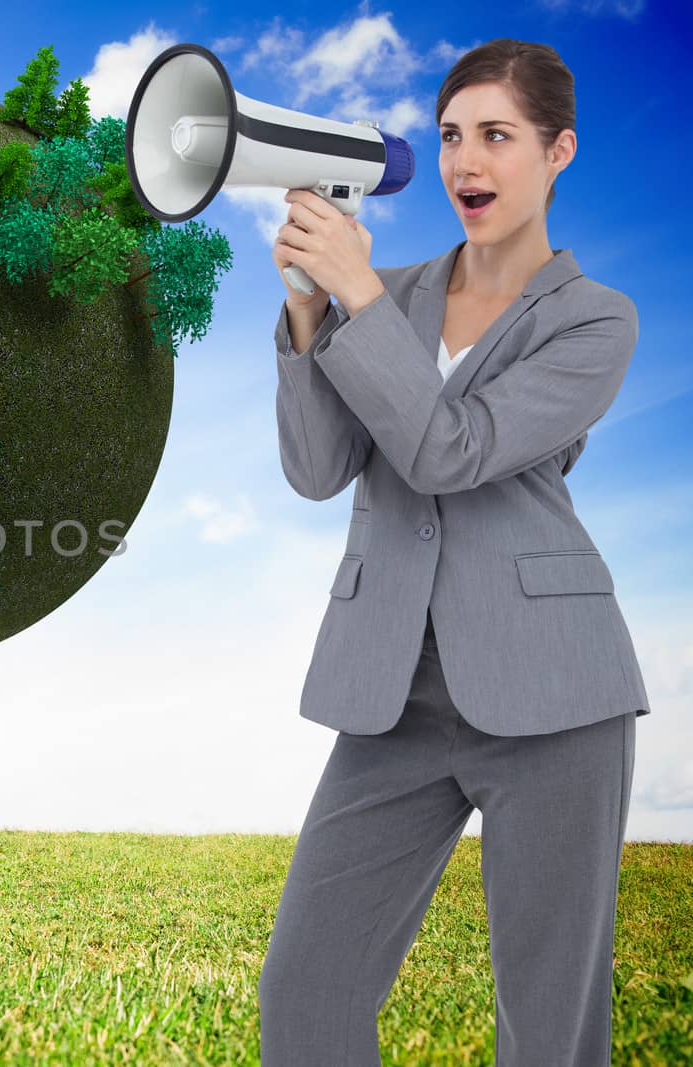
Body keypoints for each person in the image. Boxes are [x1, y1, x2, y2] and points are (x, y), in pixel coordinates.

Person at [257, 38, 649, 1067]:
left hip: (556, 693)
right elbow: (315, 467)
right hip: (390, 689)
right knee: (305, 992)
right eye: (448, 137)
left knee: (547, 1025)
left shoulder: (595, 321)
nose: (466, 161)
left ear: (557, 150)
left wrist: (361, 301)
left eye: (496, 136)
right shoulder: (382, 292)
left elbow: (448, 450)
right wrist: (308, 310)